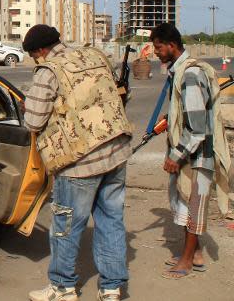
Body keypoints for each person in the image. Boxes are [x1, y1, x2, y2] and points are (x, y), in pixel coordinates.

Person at [23, 25, 132, 301]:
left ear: (40, 51)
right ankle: (111, 289)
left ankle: (62, 287)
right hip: (116, 151)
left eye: (35, 55)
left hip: (79, 162)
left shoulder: (49, 71)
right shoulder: (94, 56)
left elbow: (33, 121)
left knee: (66, 225)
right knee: (111, 221)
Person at [150, 23, 230, 280]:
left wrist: (176, 156)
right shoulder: (181, 72)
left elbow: (196, 129)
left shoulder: (190, 75)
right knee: (185, 203)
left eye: (159, 47)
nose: (156, 53)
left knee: (193, 207)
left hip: (196, 156)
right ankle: (195, 255)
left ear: (172, 45)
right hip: (191, 154)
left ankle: (186, 260)